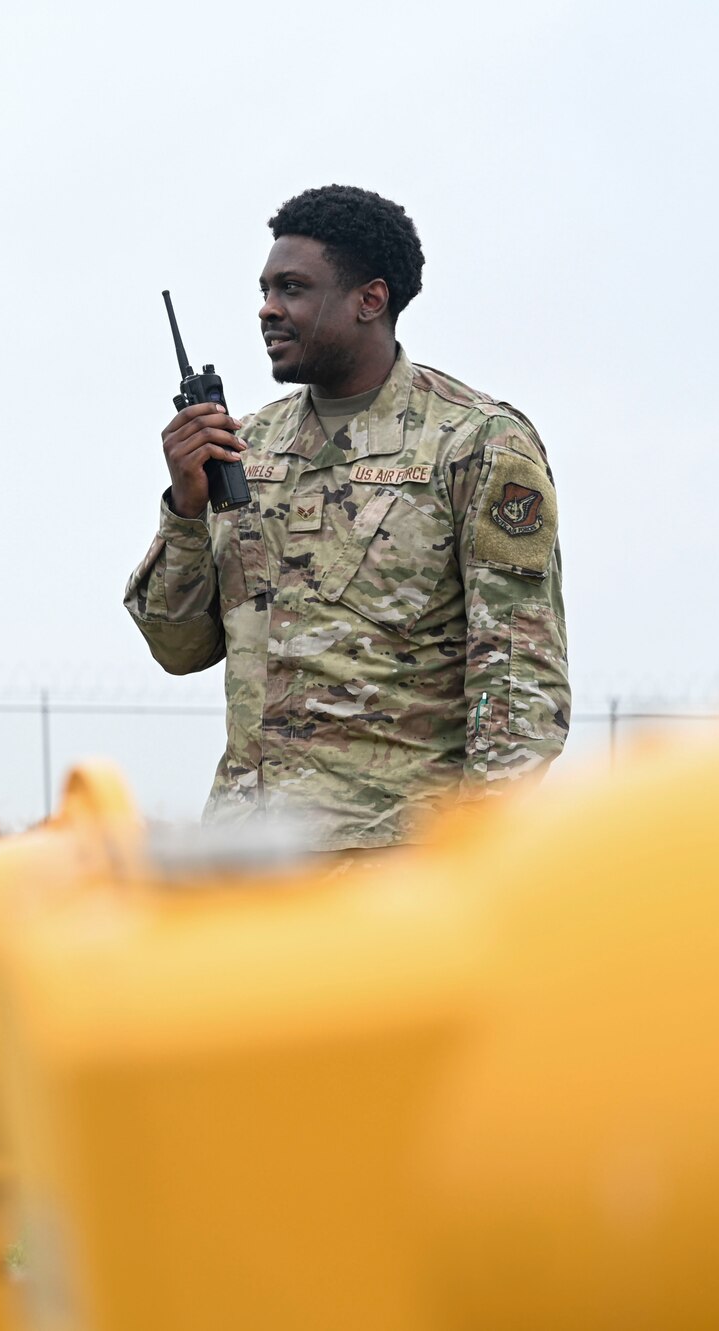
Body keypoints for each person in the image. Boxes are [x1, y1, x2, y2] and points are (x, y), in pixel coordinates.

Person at [124, 185, 570, 851]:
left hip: (394, 878)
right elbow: (179, 648)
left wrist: (471, 865)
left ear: (371, 299)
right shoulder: (247, 449)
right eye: (266, 289)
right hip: (249, 862)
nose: (268, 310)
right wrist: (186, 509)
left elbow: (517, 689)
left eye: (294, 288)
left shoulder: (475, 444)